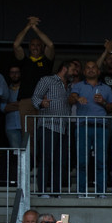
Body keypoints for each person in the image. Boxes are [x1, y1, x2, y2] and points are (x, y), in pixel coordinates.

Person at [70, 58, 112, 196]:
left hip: (101, 127)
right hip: (83, 126)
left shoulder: (106, 88)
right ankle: (81, 192)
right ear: (84, 71)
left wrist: (103, 102)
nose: (90, 69)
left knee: (101, 160)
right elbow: (70, 98)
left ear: (98, 71)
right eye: (88, 67)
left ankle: (101, 192)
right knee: (82, 160)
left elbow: (111, 108)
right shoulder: (78, 86)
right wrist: (78, 99)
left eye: (93, 67)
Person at [30, 61, 75, 194]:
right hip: (48, 125)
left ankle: (56, 192)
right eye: (73, 69)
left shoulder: (69, 86)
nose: (75, 72)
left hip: (63, 127)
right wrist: (41, 103)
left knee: (59, 161)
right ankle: (43, 191)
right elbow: (35, 98)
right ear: (64, 68)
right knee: (46, 159)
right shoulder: (47, 80)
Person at [11, 16, 55, 141]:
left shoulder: (46, 61)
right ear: (29, 47)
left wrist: (35, 28)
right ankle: (30, 159)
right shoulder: (25, 61)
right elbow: (16, 44)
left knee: (45, 132)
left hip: (44, 100)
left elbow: (50, 44)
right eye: (33, 45)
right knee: (28, 134)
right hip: (26, 100)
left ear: (42, 47)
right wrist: (28, 27)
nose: (35, 47)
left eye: (38, 45)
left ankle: (43, 159)